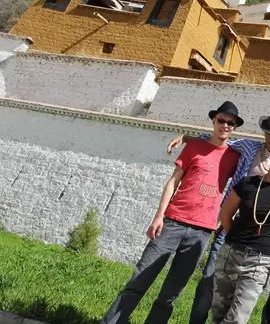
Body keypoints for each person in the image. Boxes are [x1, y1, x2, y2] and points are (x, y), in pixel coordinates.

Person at [100, 101, 244, 324]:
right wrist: (159, 216)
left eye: (230, 123)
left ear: (234, 127)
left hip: (202, 231)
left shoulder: (234, 156)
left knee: (171, 294)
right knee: (139, 280)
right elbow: (173, 181)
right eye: (221, 121)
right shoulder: (195, 147)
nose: (225, 125)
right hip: (173, 222)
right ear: (213, 121)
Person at [167, 109, 270, 324]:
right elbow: (217, 142)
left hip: (260, 241)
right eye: (268, 133)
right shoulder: (248, 147)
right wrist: (187, 137)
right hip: (230, 227)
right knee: (209, 282)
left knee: (241, 300)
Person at [212, 142, 270, 324]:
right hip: (231, 252)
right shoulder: (248, 183)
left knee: (238, 318)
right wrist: (234, 240)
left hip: (260, 261)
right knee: (218, 314)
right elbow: (226, 214)